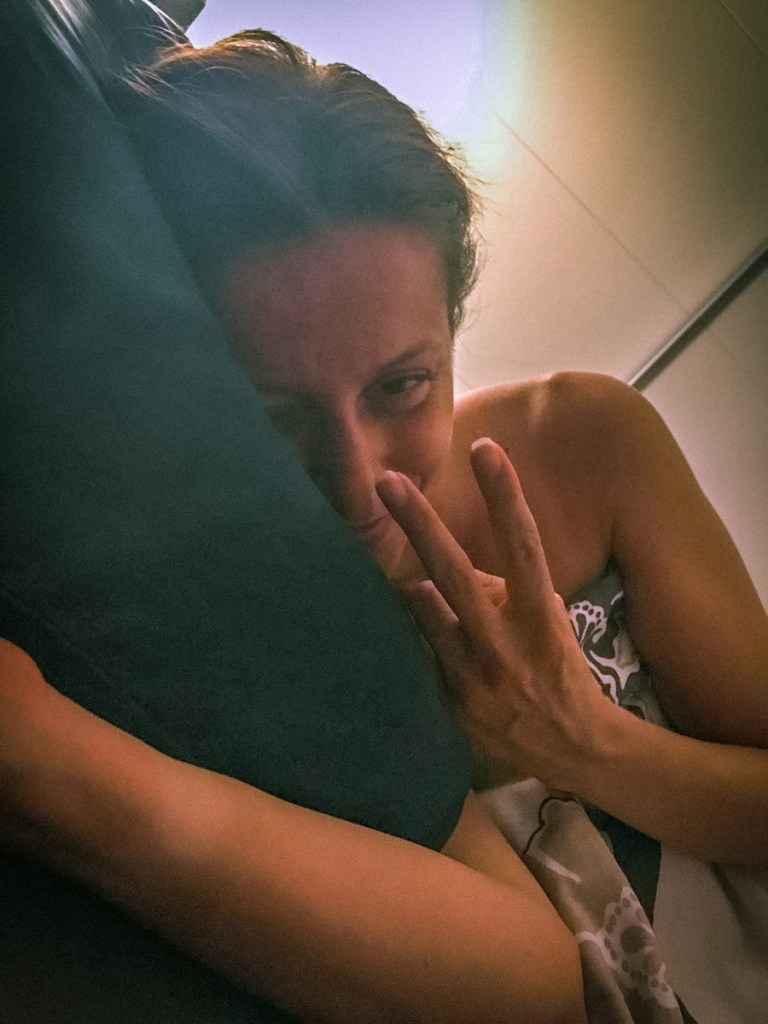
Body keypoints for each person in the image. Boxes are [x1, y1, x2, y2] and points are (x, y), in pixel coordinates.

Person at [2, 26, 766, 1023]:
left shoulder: (586, 442)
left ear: (454, 320)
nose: (356, 478)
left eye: (402, 385)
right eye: (274, 413)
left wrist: (584, 742)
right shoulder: (197, 624)